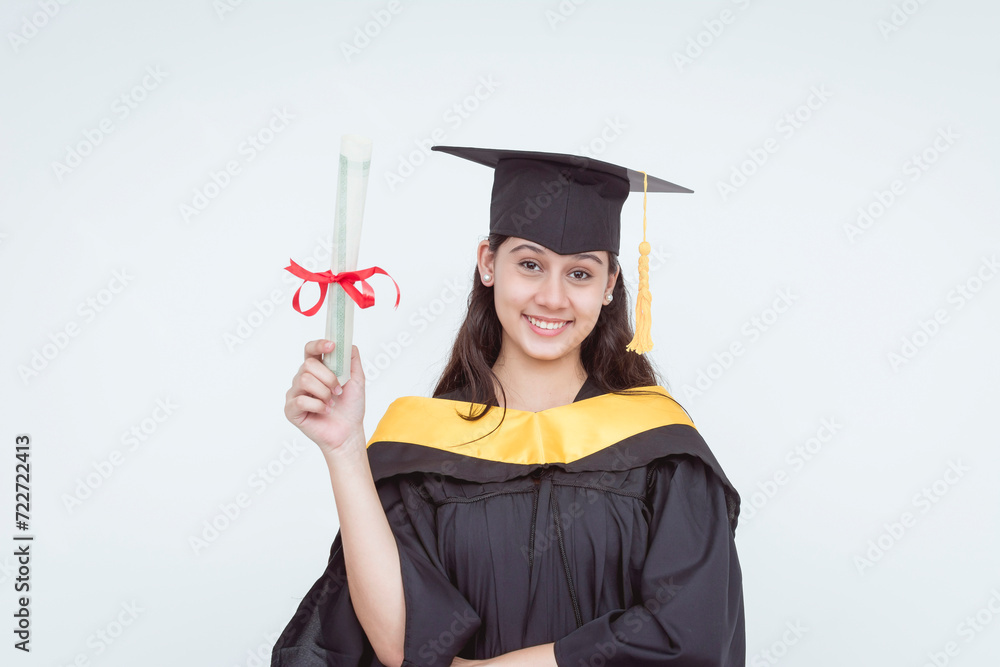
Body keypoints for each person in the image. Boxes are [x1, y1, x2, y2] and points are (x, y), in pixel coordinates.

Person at [271, 146, 745, 667]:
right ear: (488, 264)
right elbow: (398, 641)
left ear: (610, 285)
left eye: (580, 274)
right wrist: (344, 450)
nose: (552, 297)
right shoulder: (425, 444)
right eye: (530, 264)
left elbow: (691, 634)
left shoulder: (660, 447)